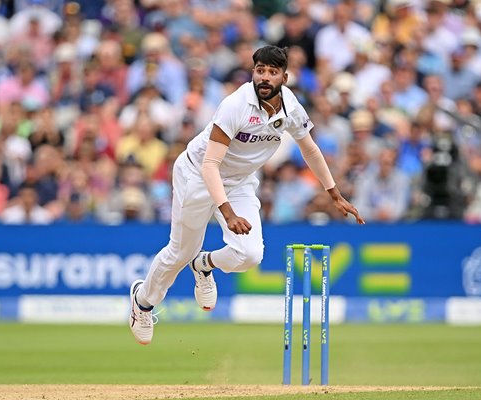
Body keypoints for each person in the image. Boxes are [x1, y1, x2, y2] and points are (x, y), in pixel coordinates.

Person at [128, 45, 365, 345]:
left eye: (272, 72)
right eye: (260, 70)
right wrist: (227, 213)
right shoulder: (235, 105)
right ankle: (143, 302)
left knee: (250, 253)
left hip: (239, 181)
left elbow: (310, 149)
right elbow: (210, 164)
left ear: (285, 77)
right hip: (197, 176)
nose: (265, 78)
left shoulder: (291, 107)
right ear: (253, 72)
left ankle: (204, 265)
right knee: (180, 252)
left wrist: (334, 193)